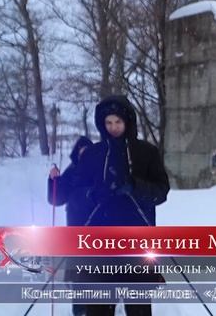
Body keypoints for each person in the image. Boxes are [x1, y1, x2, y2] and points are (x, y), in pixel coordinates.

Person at [74, 95, 170, 316]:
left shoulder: (147, 152)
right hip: (98, 245)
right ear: (101, 124)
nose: (113, 127)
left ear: (127, 121)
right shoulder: (92, 154)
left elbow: (161, 192)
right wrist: (94, 194)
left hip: (137, 243)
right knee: (97, 308)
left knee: (138, 309)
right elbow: (78, 193)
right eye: (108, 123)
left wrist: (135, 186)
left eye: (118, 122)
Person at [47, 135, 93, 316]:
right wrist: (54, 181)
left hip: (100, 229)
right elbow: (56, 199)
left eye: (88, 152)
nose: (85, 155)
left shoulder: (100, 171)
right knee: (79, 274)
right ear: (76, 154)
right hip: (76, 229)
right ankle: (80, 309)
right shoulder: (71, 172)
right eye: (82, 152)